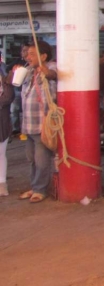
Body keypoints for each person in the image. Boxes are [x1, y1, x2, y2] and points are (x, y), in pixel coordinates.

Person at [18, 41, 57, 203]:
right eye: (27, 54)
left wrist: (46, 72)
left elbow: (53, 75)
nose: (28, 57)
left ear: (43, 56)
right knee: (32, 159)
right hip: (28, 126)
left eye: (32, 54)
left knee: (42, 160)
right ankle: (35, 187)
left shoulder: (51, 67)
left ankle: (40, 189)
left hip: (42, 125)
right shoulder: (27, 71)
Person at [0, 69, 15, 196]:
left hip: (2, 123)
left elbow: (8, 98)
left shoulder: (6, 80)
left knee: (1, 154)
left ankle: (2, 183)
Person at [10, 44, 28, 135]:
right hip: (17, 88)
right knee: (14, 109)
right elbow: (7, 69)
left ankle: (26, 128)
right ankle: (15, 129)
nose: (24, 53)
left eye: (26, 50)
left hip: (28, 89)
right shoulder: (18, 61)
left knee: (27, 109)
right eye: (23, 51)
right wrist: (13, 70)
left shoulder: (32, 62)